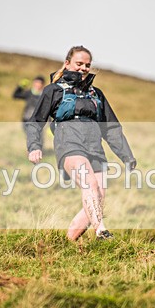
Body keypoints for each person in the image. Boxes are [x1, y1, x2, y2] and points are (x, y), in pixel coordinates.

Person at [25, 46, 136, 241]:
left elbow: (111, 128)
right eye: (79, 63)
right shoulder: (53, 90)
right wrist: (34, 146)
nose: (84, 68)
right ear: (67, 63)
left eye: (87, 65)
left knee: (98, 197)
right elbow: (36, 122)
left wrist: (126, 156)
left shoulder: (96, 94)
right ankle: (101, 230)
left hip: (95, 147)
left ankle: (69, 242)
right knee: (89, 183)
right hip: (69, 145)